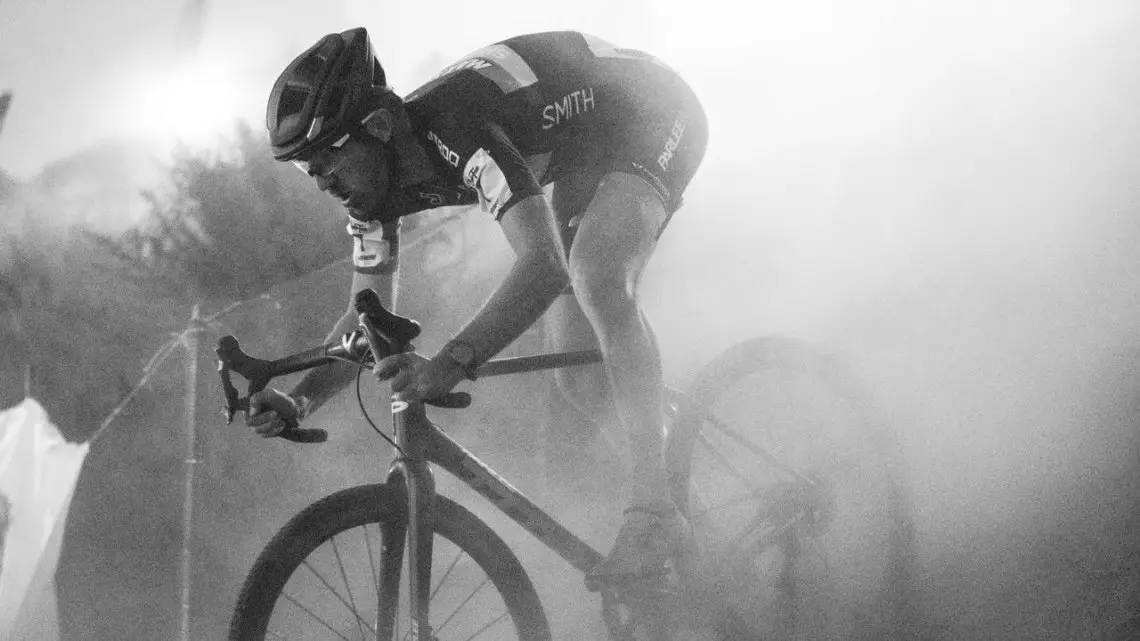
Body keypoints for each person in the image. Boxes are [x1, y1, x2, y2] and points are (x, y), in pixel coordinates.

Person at [246, 27, 707, 585]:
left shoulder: (454, 129)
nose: (321, 181)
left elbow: (543, 266)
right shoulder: (371, 188)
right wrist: (300, 400)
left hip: (651, 111)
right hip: (580, 151)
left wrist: (451, 362)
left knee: (597, 276)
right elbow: (360, 318)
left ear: (380, 126)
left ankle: (653, 508)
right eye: (306, 168)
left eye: (327, 160)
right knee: (580, 375)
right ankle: (683, 504)